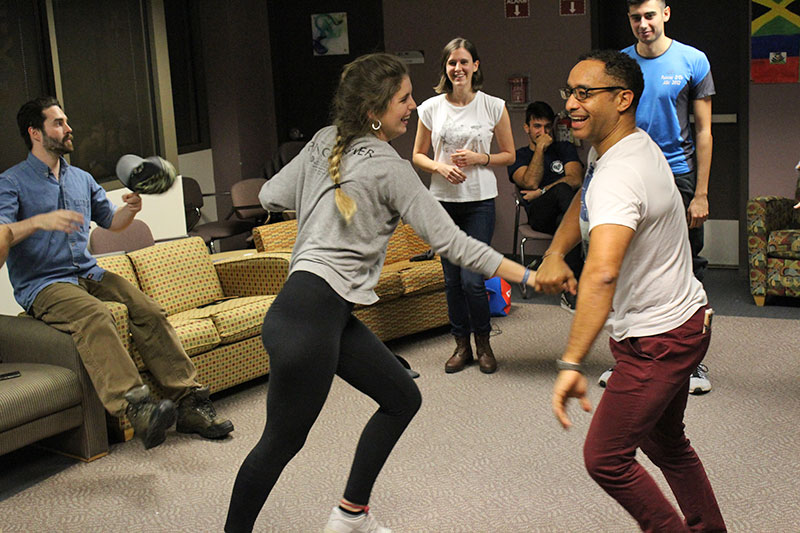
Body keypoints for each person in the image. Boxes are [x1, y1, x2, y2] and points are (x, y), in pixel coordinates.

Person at [224, 53, 537, 533]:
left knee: (400, 397)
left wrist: (318, 194)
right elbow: (453, 244)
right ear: (374, 110)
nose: (413, 106)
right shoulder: (390, 169)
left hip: (314, 313)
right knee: (280, 444)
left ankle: (351, 516)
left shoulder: (323, 142)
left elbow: (269, 197)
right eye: (404, 99)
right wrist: (528, 276)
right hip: (309, 321)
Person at [537, 50, 726, 532]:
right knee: (667, 444)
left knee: (606, 458)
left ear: (624, 99)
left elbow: (601, 274)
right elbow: (587, 191)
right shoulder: (621, 148)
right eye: (569, 92)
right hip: (684, 321)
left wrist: (572, 362)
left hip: (659, 340)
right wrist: (557, 251)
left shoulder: (620, 173)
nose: (571, 104)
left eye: (585, 93)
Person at [0, 97, 233, 450]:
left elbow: (113, 222)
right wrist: (37, 222)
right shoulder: (11, 183)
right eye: (58, 123)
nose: (68, 128)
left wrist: (131, 208)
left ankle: (190, 404)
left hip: (89, 272)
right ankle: (138, 409)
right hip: (45, 284)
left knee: (149, 311)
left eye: (66, 121)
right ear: (35, 132)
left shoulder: (81, 179)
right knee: (95, 316)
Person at [600, 0, 716, 394]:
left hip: (678, 175)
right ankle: (627, 359)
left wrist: (700, 193)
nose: (643, 24)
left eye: (650, 15)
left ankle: (693, 365)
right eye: (635, 17)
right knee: (624, 263)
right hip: (630, 171)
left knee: (688, 266)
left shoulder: (693, 61)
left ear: (665, 13)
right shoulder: (619, 66)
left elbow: (703, 131)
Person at [412, 37, 515, 374]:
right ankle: (461, 346)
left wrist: (479, 157)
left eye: (464, 62)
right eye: (452, 63)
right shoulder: (430, 108)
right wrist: (439, 166)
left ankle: (483, 343)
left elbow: (509, 155)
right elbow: (417, 155)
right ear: (446, 68)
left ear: (475, 66)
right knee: (452, 281)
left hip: (479, 203)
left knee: (472, 280)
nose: (458, 68)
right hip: (443, 204)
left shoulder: (493, 106)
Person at [508, 101, 584, 302]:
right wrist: (540, 149)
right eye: (537, 126)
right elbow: (530, 183)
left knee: (564, 215)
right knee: (562, 190)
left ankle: (571, 291)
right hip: (539, 217)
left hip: (564, 216)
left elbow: (576, 179)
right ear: (527, 128)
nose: (543, 132)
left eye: (547, 126)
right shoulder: (519, 156)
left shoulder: (564, 148)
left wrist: (542, 191)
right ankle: (585, 269)